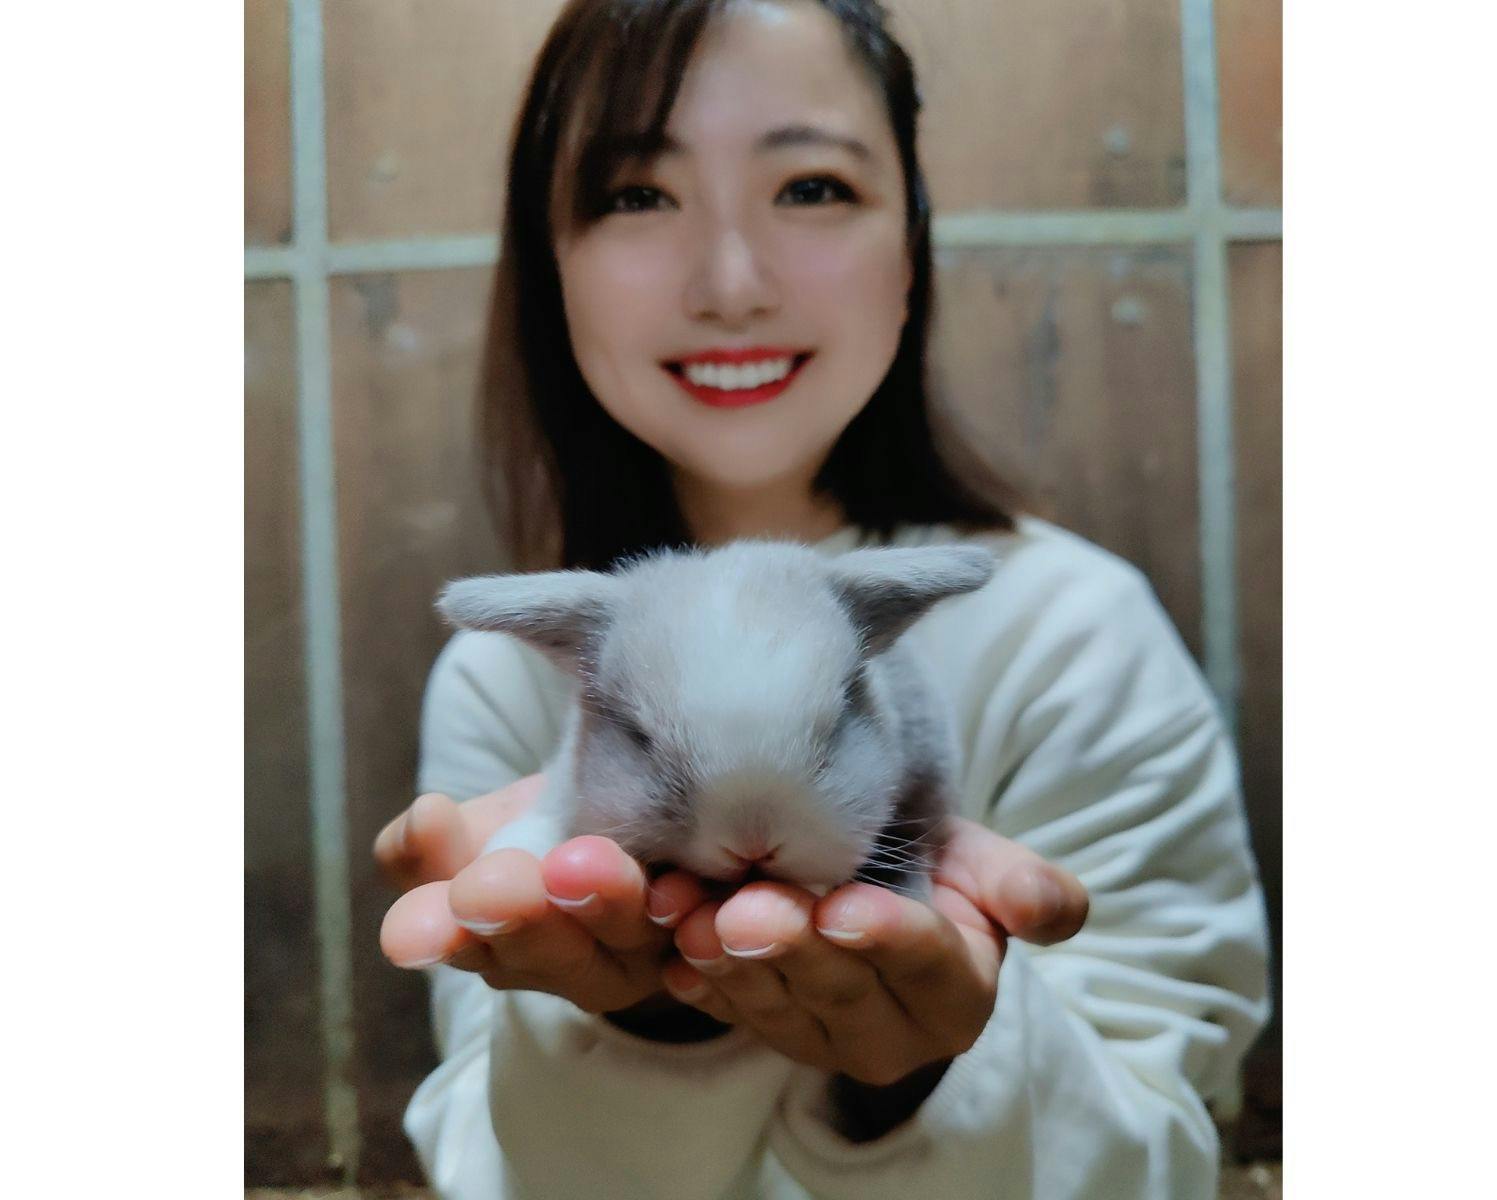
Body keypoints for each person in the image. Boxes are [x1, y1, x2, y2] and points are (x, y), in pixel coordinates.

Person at [372, 1, 1271, 1197]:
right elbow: (483, 1155)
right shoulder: (510, 676)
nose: (731, 284)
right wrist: (648, 1026)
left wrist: (918, 1073)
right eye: (638, 194)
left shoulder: (1075, 633)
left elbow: (1163, 1148)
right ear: (550, 257)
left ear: (913, 236)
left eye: (810, 188)